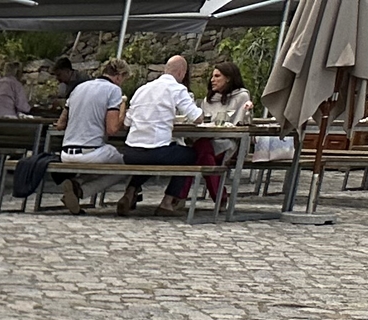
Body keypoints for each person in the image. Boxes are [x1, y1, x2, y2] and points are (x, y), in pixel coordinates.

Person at [119, 52, 204, 211]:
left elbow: (126, 123)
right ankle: (167, 202)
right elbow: (197, 118)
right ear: (181, 73)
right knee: (189, 155)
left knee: (149, 156)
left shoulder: (142, 89)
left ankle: (130, 192)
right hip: (156, 151)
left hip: (131, 152)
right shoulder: (176, 89)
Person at [56, 58, 128, 211]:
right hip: (91, 151)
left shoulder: (78, 88)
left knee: (102, 165)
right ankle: (81, 190)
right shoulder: (114, 90)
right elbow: (112, 129)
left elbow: (60, 124)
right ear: (119, 76)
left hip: (66, 152)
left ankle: (77, 183)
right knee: (124, 166)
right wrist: (122, 108)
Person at [192, 58, 252, 202]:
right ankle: (220, 197)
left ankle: (177, 198)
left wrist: (248, 112)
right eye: (212, 76)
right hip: (209, 140)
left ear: (229, 79)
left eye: (217, 76)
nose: (212, 80)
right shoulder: (208, 100)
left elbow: (242, 123)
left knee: (196, 154)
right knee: (203, 154)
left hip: (230, 142)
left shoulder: (241, 96)